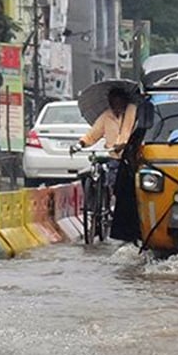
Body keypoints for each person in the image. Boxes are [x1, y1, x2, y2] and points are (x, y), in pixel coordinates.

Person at [75, 84, 141, 242]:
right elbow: (93, 133)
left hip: (131, 156)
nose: (116, 106)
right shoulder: (106, 116)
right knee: (112, 184)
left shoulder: (133, 111)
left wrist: (124, 143)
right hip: (114, 157)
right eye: (113, 102)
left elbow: (131, 131)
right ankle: (109, 207)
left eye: (119, 102)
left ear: (124, 101)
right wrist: (81, 144)